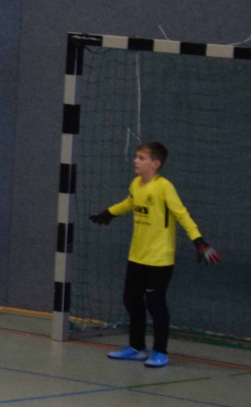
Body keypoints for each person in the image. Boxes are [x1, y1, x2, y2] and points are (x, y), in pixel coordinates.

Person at [88, 141, 220, 368]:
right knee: (131, 300)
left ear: (155, 164)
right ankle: (137, 348)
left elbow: (181, 214)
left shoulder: (164, 187)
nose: (135, 161)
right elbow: (131, 202)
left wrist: (198, 241)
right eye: (136, 157)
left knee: (155, 304)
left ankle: (160, 351)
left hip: (159, 259)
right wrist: (109, 212)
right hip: (137, 256)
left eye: (141, 158)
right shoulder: (136, 184)